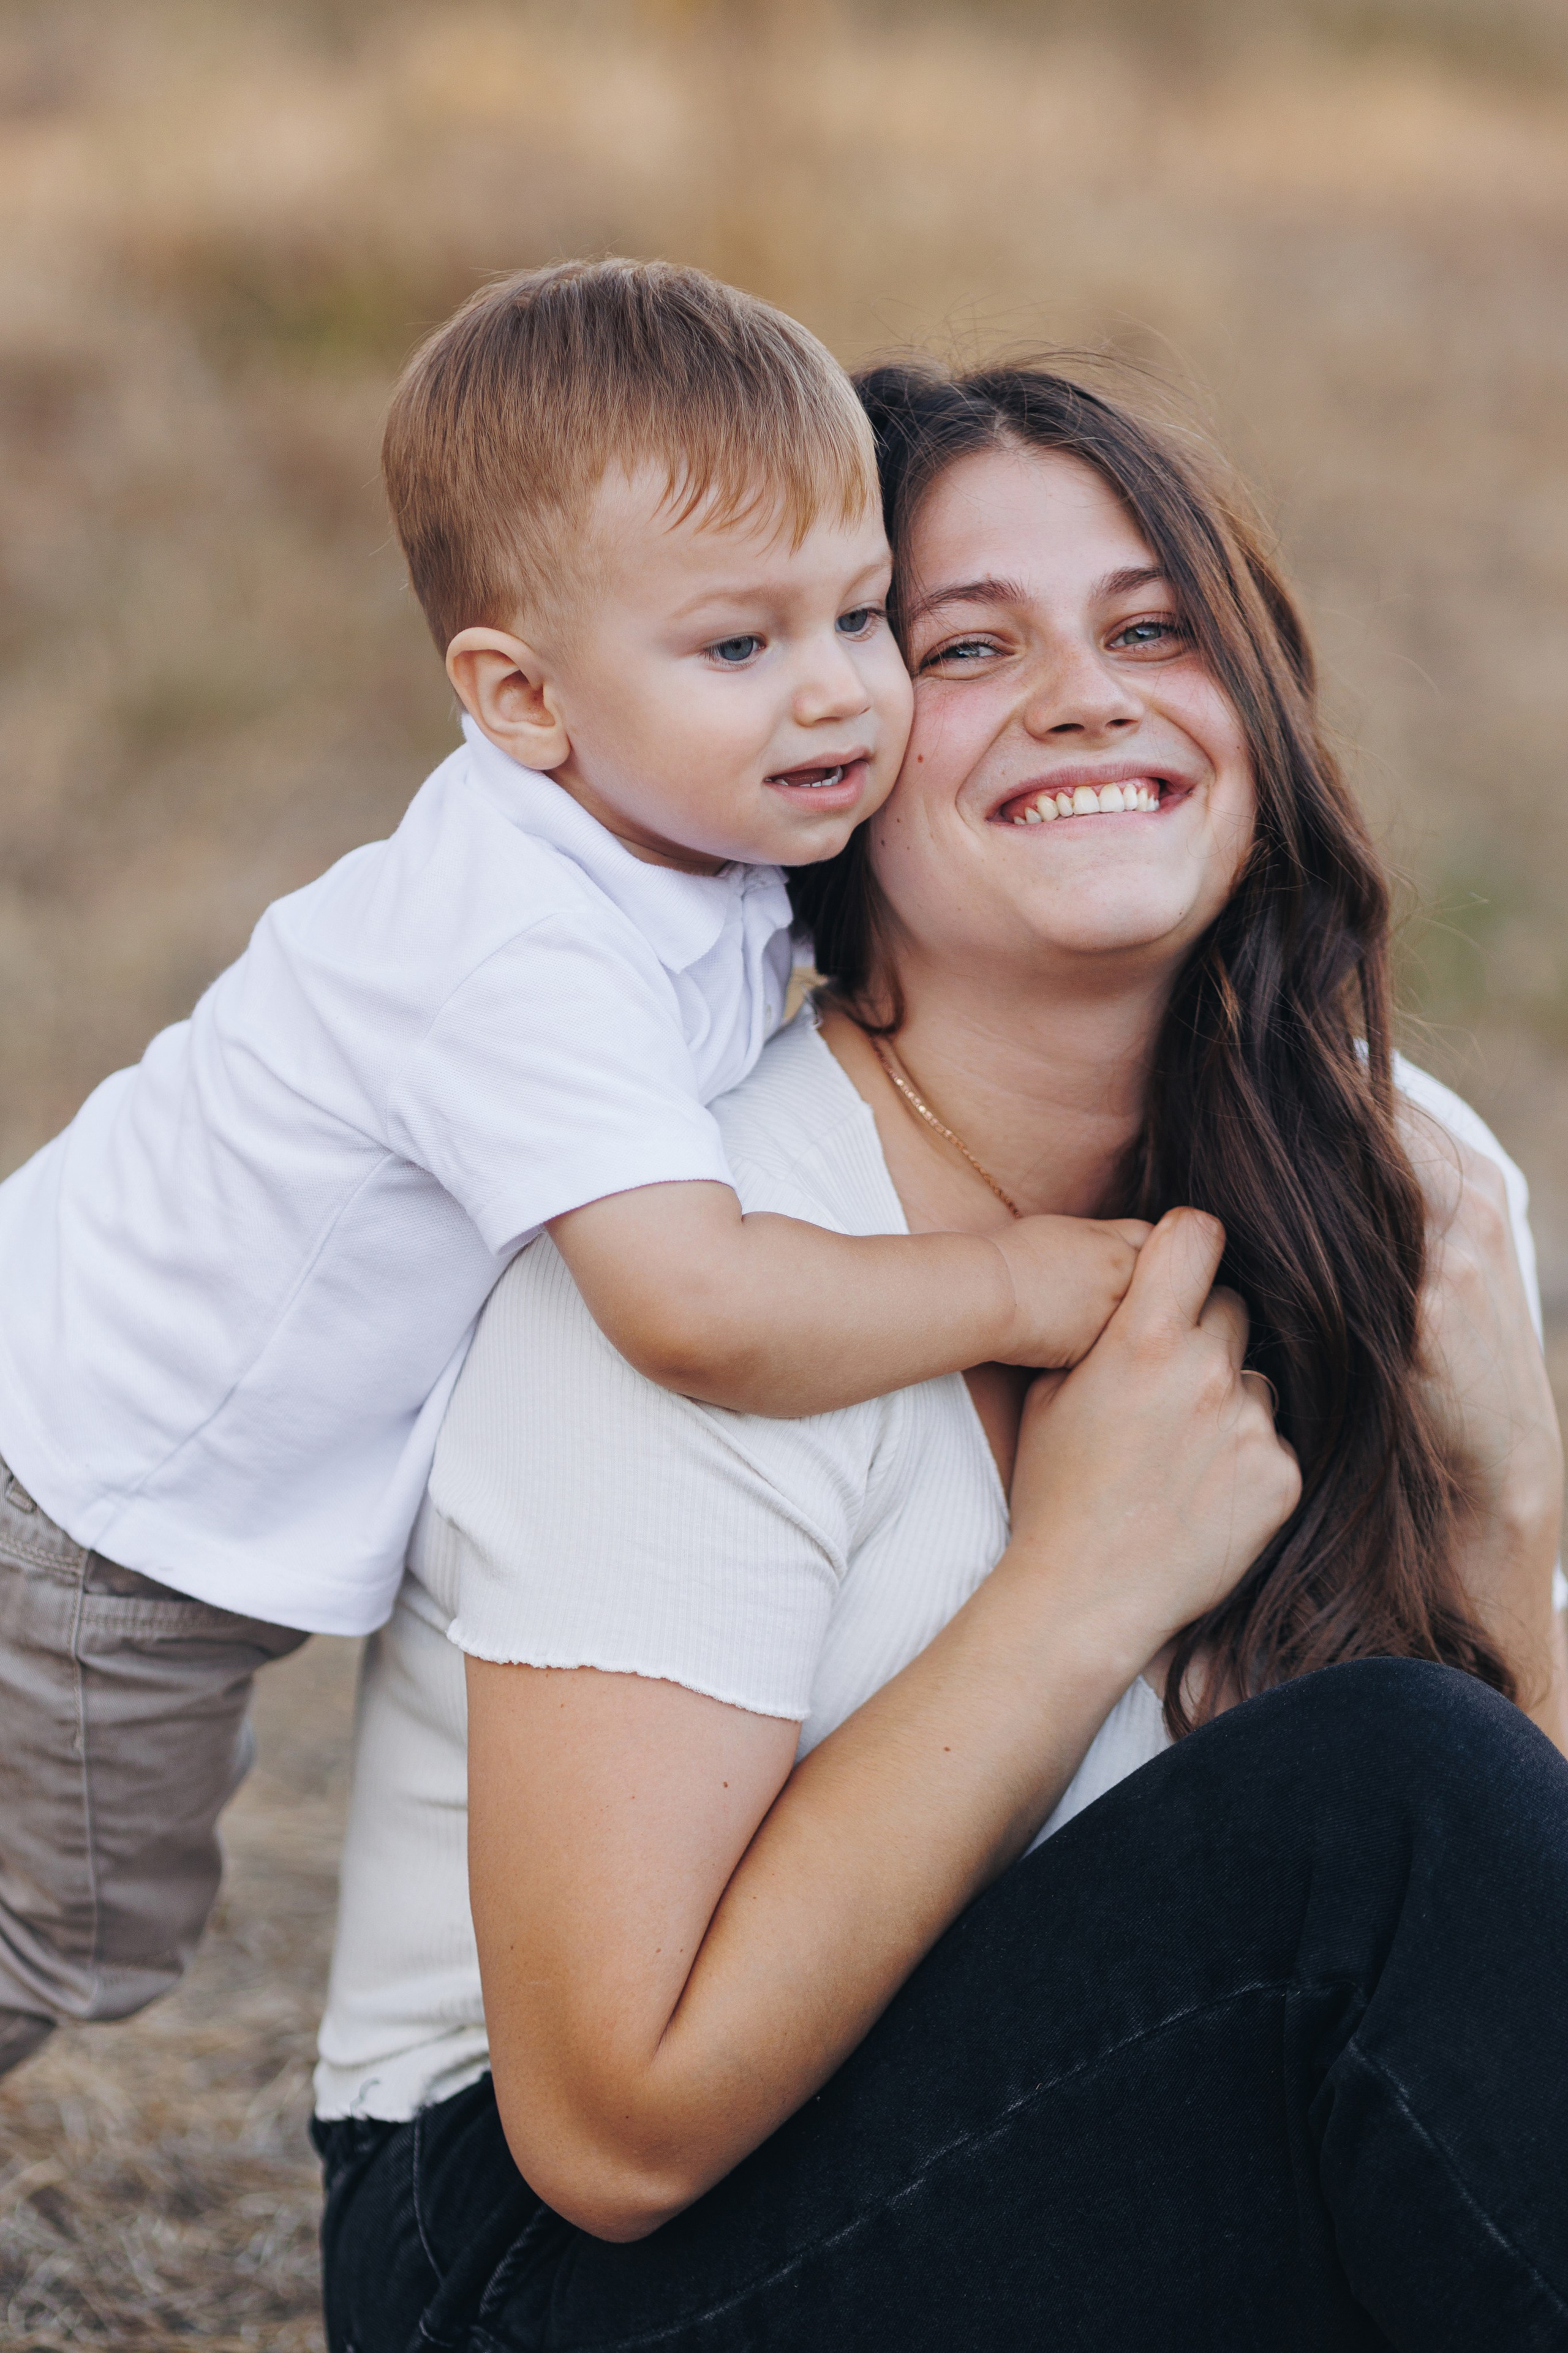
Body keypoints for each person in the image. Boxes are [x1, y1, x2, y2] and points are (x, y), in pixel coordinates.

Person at [312, 360, 1568, 2351]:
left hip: (1074, 2135)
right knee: (1382, 1786)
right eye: (969, 644)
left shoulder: (1397, 1184)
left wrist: (1508, 1500)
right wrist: (1074, 1590)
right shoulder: (699, 1259)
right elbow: (612, 2124)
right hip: (558, 2269)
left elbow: (1497, 2015)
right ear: (826, 749)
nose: (1088, 692)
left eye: (1156, 627)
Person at [0, 266, 1141, 2078]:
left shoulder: (693, 830)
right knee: (58, 1926)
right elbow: (692, 1303)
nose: (840, 690)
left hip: (116, 1451)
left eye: (861, 614)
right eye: (739, 647)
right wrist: (1016, 1283)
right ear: (521, 697)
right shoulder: (521, 944)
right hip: (86, 1494)